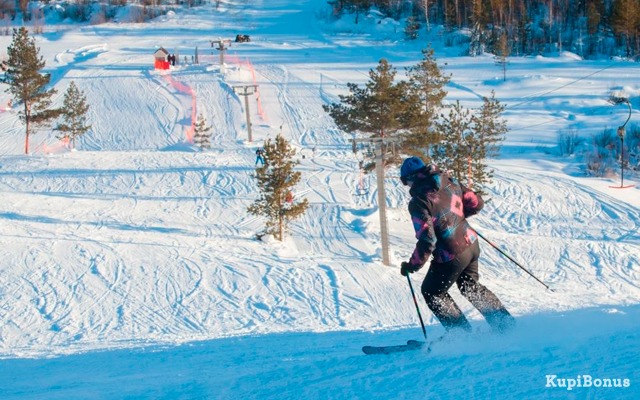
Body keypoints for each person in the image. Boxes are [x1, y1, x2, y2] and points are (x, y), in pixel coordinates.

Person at [399, 156, 515, 333]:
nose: (407, 186)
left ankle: (461, 335)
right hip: (471, 243)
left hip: (451, 253)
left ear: (410, 178)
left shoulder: (419, 201)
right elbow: (477, 203)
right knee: (469, 285)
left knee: (432, 291)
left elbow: (427, 239)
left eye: (405, 182)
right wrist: (457, 219)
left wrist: (412, 265)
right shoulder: (450, 181)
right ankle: (505, 325)